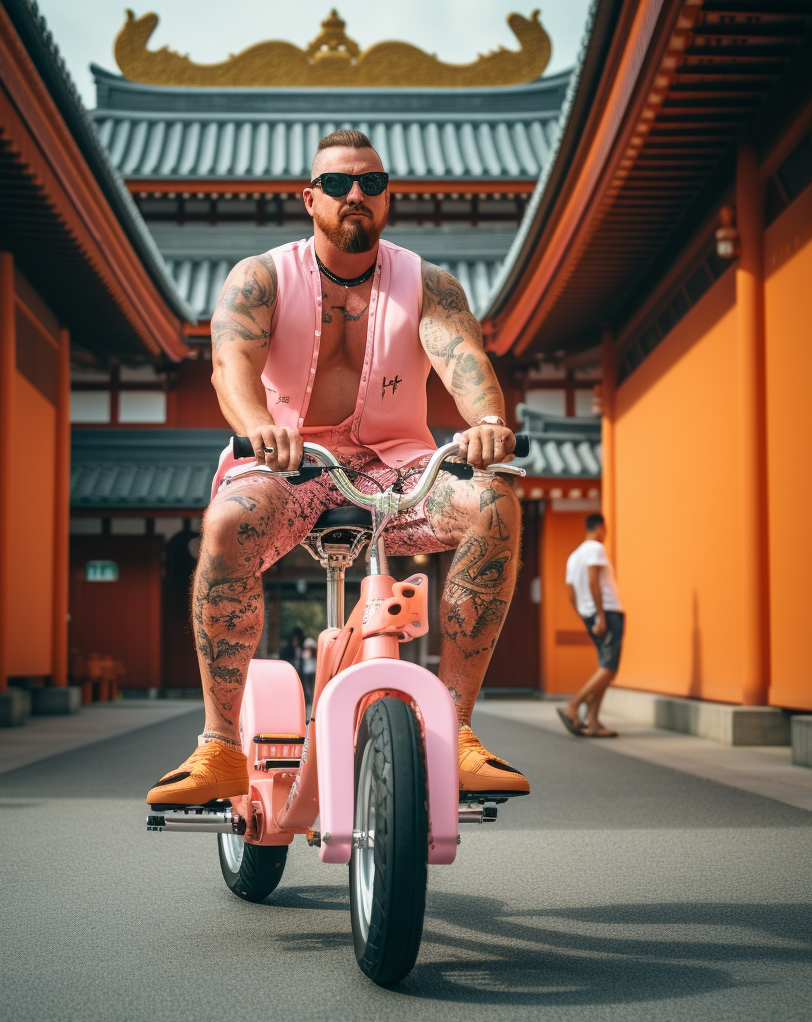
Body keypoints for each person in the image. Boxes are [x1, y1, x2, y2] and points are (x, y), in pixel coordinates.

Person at [147, 128, 529, 808]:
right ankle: (219, 747)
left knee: (495, 505)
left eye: (371, 184)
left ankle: (459, 729)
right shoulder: (261, 278)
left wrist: (487, 424)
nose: (356, 194)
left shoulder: (429, 284)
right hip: (290, 463)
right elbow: (229, 363)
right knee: (228, 523)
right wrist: (257, 428)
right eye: (338, 184)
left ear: (388, 199)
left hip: (398, 472)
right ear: (310, 198)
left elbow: (461, 357)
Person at [558, 513, 624, 738]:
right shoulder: (595, 548)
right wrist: (602, 617)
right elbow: (594, 579)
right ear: (599, 528)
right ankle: (573, 706)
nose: (605, 535)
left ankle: (593, 722)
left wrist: (586, 617)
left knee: (605, 666)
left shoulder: (574, 556)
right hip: (607, 613)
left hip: (589, 614)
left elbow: (570, 594)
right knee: (609, 668)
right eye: (605, 530)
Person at [300, 636, 317, 719]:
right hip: (307, 673)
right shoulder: (305, 654)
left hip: (312, 672)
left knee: (311, 690)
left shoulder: (314, 654)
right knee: (307, 690)